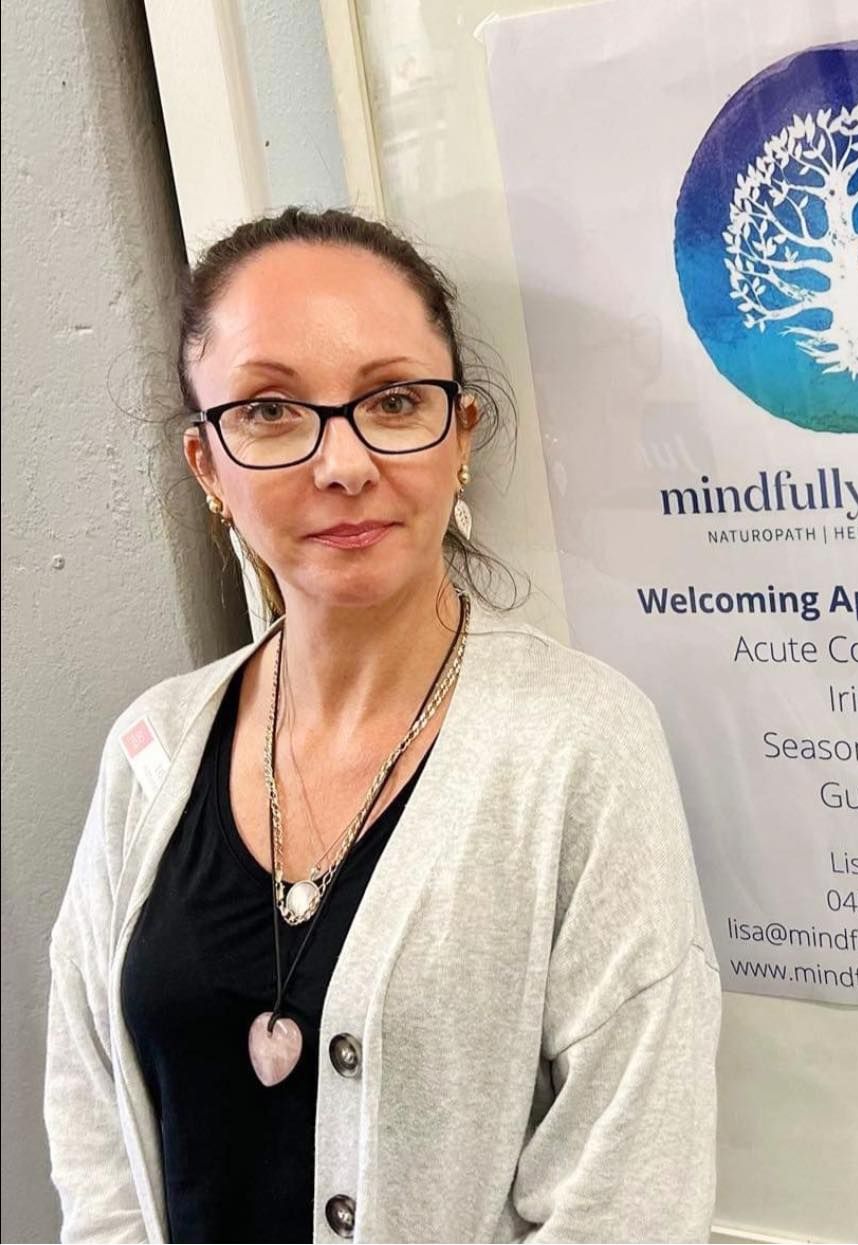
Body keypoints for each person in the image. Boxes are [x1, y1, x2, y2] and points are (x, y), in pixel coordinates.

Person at [43, 207, 722, 1244]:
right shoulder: (154, 747)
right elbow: (93, 1125)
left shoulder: (577, 746)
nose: (344, 464)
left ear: (461, 436)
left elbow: (629, 1195)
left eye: (394, 401)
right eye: (271, 410)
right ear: (207, 467)